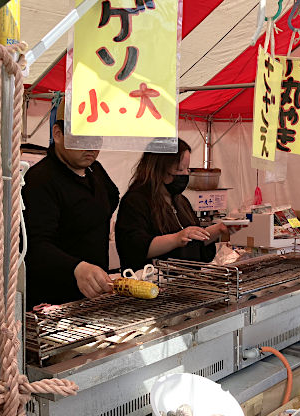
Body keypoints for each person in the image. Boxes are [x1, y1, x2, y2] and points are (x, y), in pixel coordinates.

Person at [22, 100, 119, 310]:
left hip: (93, 295)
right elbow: (35, 246)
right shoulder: (40, 179)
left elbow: (113, 196)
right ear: (58, 134)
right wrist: (77, 267)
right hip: (54, 299)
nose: (91, 147)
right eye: (83, 137)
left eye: (97, 138)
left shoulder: (96, 170)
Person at [115, 139, 229, 271]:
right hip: (151, 284)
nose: (186, 174)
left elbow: (194, 242)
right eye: (179, 169)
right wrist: (177, 238)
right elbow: (134, 248)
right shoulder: (136, 201)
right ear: (159, 168)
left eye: (187, 169)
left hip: (185, 284)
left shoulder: (181, 201)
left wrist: (219, 229)